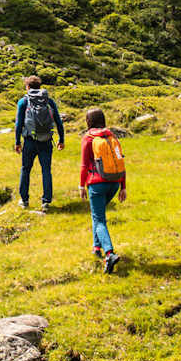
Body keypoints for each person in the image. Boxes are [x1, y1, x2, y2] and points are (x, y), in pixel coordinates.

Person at [79, 108, 126, 274]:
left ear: (88, 121)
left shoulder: (88, 138)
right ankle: (96, 247)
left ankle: (109, 253)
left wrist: (81, 186)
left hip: (96, 184)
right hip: (114, 183)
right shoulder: (111, 136)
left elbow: (84, 165)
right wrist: (123, 187)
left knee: (99, 219)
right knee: (97, 214)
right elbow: (121, 160)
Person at [14, 75, 64, 210]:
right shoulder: (49, 101)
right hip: (46, 141)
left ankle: (24, 200)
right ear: (39, 87)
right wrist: (61, 139)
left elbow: (18, 124)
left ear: (27, 87)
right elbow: (58, 121)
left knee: (25, 169)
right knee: (46, 170)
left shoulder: (23, 102)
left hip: (30, 141)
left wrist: (17, 142)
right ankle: (46, 202)